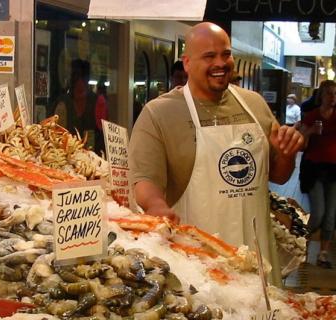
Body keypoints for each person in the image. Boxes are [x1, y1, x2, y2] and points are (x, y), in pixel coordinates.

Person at [129, 22, 303, 285]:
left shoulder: (254, 104)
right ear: (186, 63)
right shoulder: (159, 113)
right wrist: (156, 205)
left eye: (226, 54)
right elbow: (144, 179)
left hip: (259, 261)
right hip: (196, 266)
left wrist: (288, 154)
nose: (221, 63)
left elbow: (277, 175)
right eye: (209, 56)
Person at [299, 80, 336, 269]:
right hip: (314, 169)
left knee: (331, 215)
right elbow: (301, 144)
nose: (333, 97)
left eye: (335, 94)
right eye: (329, 93)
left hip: (333, 171)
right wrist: (311, 131)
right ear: (321, 95)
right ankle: (301, 244)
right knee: (319, 213)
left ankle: (323, 254)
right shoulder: (312, 116)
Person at [54, 59, 100, 153]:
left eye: (83, 78)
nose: (80, 83)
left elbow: (101, 135)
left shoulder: (96, 102)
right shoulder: (62, 104)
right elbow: (55, 135)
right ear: (71, 79)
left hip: (94, 159)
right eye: (76, 77)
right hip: (65, 158)